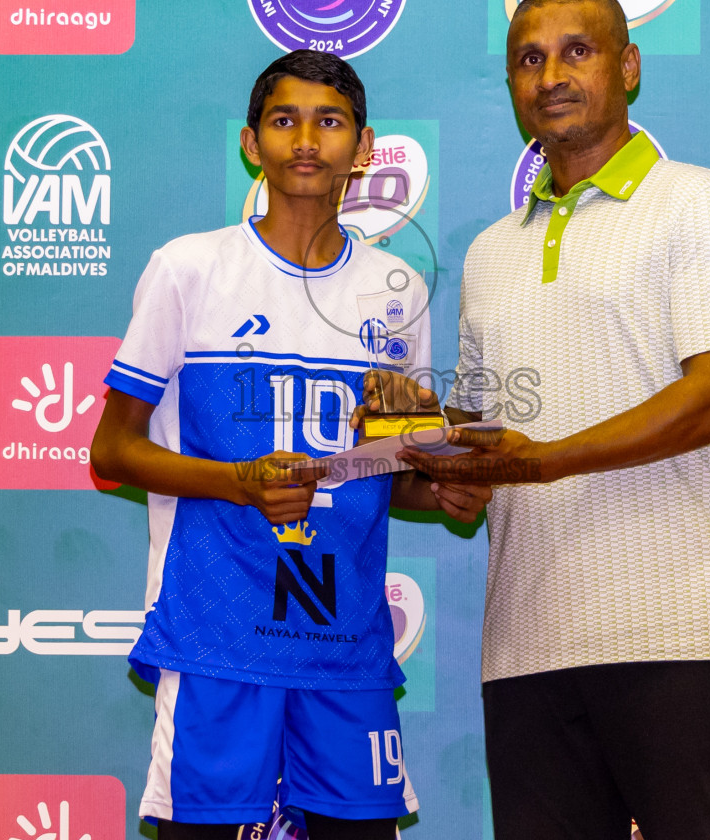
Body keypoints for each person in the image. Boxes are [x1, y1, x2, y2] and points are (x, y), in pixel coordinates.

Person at [400, 0, 710, 840]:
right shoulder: (492, 252)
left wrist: (539, 460)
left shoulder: (702, 201)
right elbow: (480, 442)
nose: (551, 76)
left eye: (577, 51)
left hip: (679, 637)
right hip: (527, 650)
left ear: (629, 67)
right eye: (528, 60)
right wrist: (415, 445)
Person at [89, 49, 488, 840]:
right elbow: (112, 453)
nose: (306, 139)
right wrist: (240, 481)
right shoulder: (189, 269)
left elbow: (382, 469)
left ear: (364, 149)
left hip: (344, 644)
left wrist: (439, 485)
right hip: (217, 637)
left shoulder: (397, 292)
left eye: (329, 121)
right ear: (251, 142)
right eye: (284, 120)